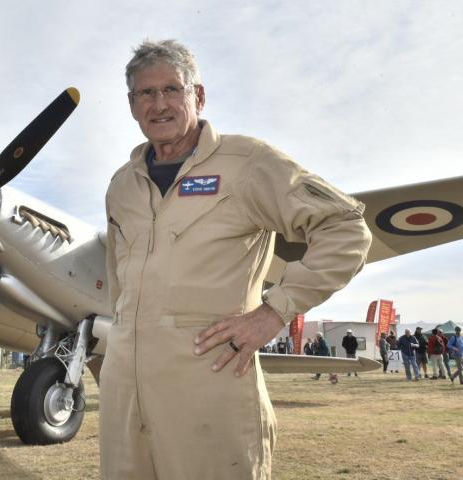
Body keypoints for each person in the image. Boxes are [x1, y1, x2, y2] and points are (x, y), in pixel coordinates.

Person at [101, 39, 372, 480]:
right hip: (125, 398)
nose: (159, 103)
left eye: (172, 89)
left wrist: (273, 312)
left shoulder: (247, 162)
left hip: (210, 382)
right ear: (132, 105)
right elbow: (119, 282)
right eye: (145, 94)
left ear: (198, 96)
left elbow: (346, 229)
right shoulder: (121, 185)